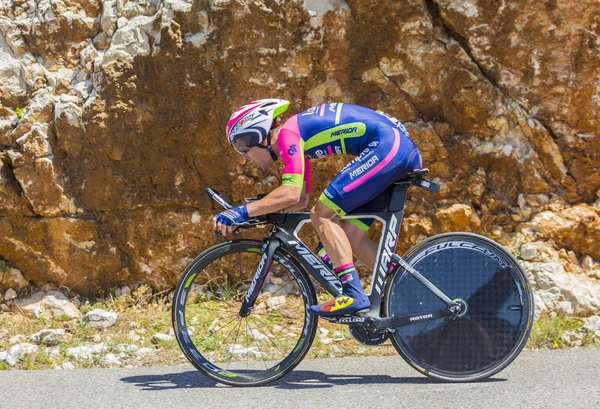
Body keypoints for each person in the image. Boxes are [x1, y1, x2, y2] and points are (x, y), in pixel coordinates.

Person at [211, 99, 422, 317]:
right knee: (351, 237)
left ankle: (352, 293)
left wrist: (240, 212)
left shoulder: (287, 136)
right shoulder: (297, 138)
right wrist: (253, 215)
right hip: (397, 148)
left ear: (258, 134)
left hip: (389, 146)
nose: (244, 156)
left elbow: (290, 194)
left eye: (242, 145)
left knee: (322, 215)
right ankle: (412, 291)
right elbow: (299, 199)